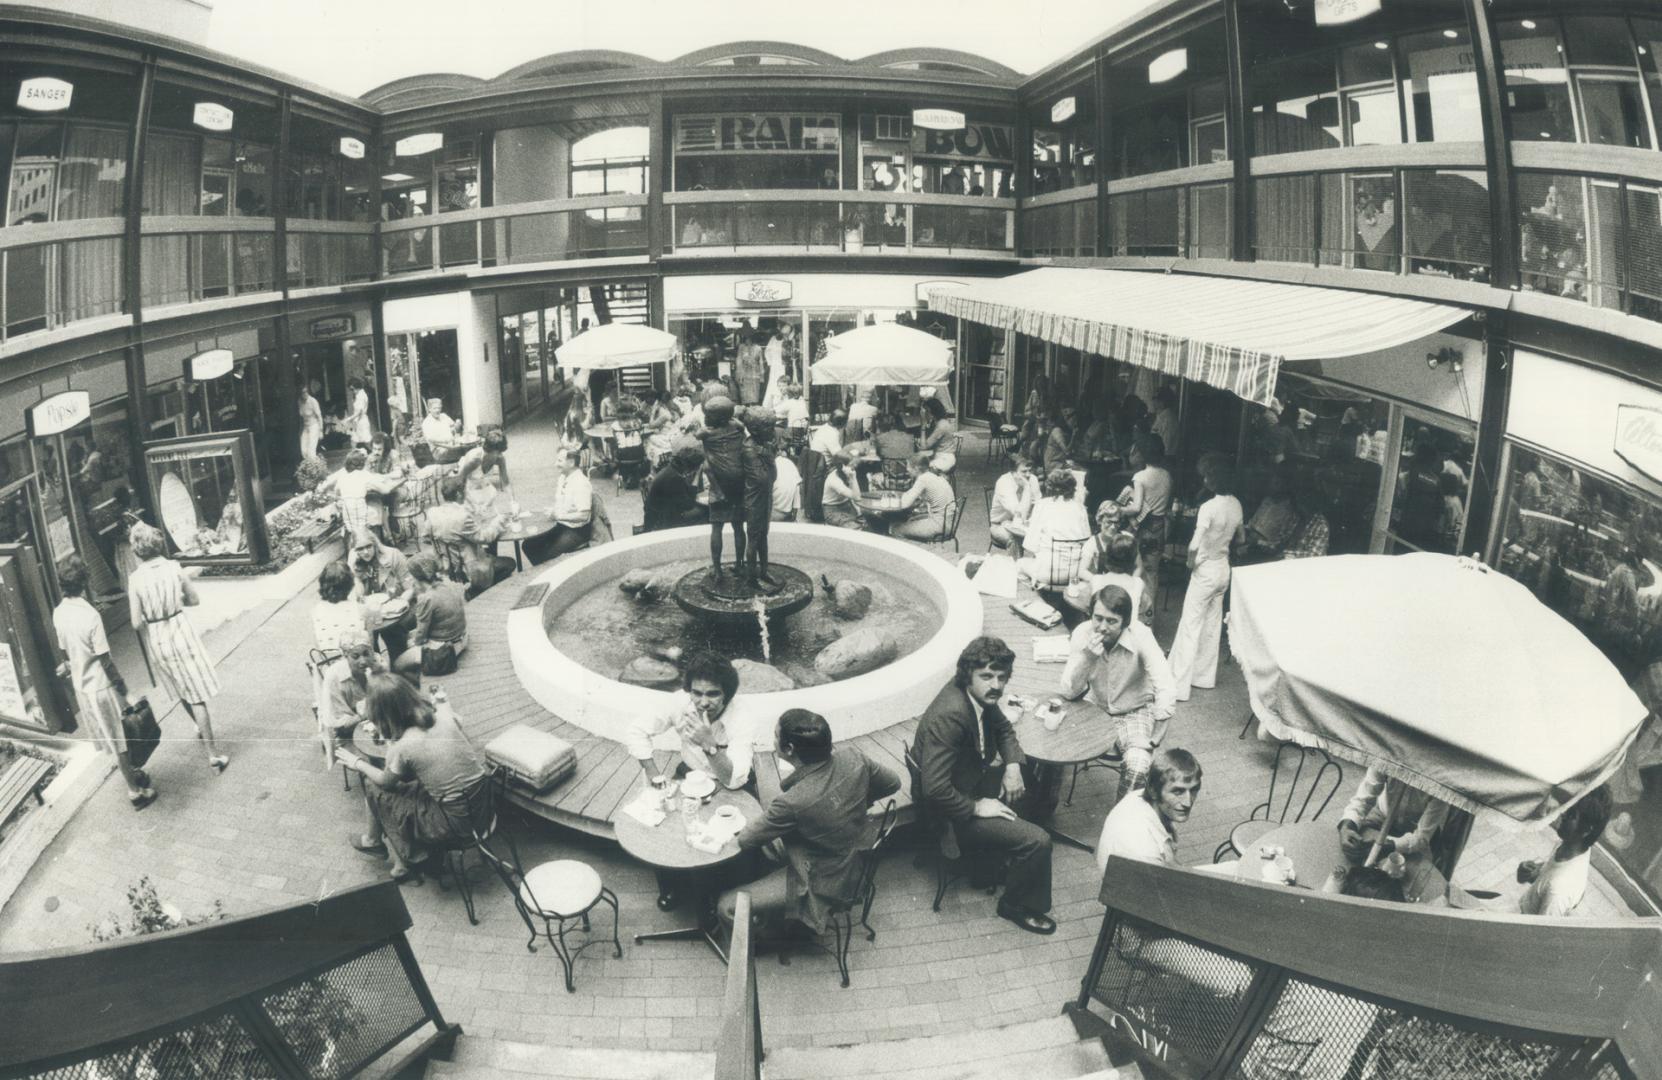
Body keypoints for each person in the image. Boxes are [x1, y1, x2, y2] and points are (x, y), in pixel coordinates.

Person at [912, 637, 1054, 935]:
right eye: (987, 676)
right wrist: (977, 806)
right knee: (1039, 841)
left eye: (1002, 677)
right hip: (949, 809)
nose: (996, 685)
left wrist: (1013, 765)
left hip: (966, 781)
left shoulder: (975, 695)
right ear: (968, 675)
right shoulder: (951, 715)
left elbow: (1002, 727)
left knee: (1029, 779)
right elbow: (935, 790)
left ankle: (989, 863)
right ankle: (1013, 904)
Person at [717, 709, 902, 937]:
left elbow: (746, 840)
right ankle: (774, 915)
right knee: (769, 848)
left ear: (789, 749)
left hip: (821, 879)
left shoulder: (792, 802)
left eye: (775, 736)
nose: (772, 740)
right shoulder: (854, 757)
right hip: (856, 856)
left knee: (726, 906)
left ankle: (766, 945)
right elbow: (892, 783)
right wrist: (850, 804)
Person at [342, 674, 490, 883]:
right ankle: (388, 851)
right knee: (406, 784)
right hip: (484, 807)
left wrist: (357, 763)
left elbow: (386, 781)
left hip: (455, 825)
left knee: (374, 787)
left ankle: (402, 857)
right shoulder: (442, 717)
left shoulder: (404, 746)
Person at [53, 556, 155, 809]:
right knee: (120, 739)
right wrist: (125, 690)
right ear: (85, 582)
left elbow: (67, 653)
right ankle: (134, 791)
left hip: (82, 689)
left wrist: (71, 665)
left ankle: (133, 777)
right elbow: (106, 661)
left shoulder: (59, 613)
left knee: (111, 738)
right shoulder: (91, 616)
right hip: (101, 687)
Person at [126, 523, 228, 772]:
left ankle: (199, 726)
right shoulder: (174, 568)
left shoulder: (135, 579)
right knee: (197, 694)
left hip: (159, 638)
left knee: (182, 688)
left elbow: (136, 622)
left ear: (137, 550)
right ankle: (213, 754)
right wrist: (175, 600)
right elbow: (194, 599)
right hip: (180, 631)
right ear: (158, 544)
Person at [1064, 585, 1176, 801]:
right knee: (1054, 738)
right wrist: (1087, 658)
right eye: (1098, 618)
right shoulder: (1082, 633)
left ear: (1125, 623)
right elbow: (1069, 691)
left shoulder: (1141, 635)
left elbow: (1166, 685)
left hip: (1133, 710)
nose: (1102, 627)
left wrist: (1154, 740)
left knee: (1139, 764)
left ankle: (1121, 820)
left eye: (1112, 621)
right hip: (1094, 706)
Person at [1168, 454, 1244, 703]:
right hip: (1224, 567)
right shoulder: (1237, 505)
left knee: (1190, 624)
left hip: (1206, 567)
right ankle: (1203, 677)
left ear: (1212, 480)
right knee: (1212, 625)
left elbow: (1193, 545)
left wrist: (1191, 564)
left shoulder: (1209, 507)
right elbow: (1241, 539)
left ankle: (1178, 684)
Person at [625, 651, 757, 790]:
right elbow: (636, 730)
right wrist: (654, 776)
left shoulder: (743, 716)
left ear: (727, 694)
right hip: (691, 772)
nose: (704, 703)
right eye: (697, 693)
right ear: (689, 690)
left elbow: (734, 781)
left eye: (713, 694)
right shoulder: (679, 701)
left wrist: (709, 745)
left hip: (730, 778)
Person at [1093, 748, 1201, 877]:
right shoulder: (1144, 849)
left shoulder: (1138, 797)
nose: (1188, 803)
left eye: (1194, 789)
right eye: (1178, 791)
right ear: (1154, 791)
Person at [1516, 786, 1612, 916]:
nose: (1563, 814)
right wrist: (1534, 873)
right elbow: (1550, 877)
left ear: (1586, 830)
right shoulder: (1570, 846)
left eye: (1571, 814)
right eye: (1567, 807)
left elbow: (1539, 933)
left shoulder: (1558, 891)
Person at [1337, 765, 1452, 863]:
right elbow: (1362, 801)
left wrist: (1390, 846)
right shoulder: (1386, 757)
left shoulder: (1444, 783)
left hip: (1414, 830)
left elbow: (1421, 838)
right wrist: (1347, 826)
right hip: (1381, 816)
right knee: (1351, 852)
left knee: (1416, 873)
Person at [424, 475, 513, 597]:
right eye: (466, 491)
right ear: (459, 495)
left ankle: (480, 584)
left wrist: (450, 542)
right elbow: (484, 538)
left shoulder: (432, 513)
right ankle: (479, 591)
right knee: (510, 563)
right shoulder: (463, 516)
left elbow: (426, 537)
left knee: (489, 551)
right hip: (469, 567)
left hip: (447, 565)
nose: (467, 494)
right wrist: (498, 521)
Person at [390, 554, 468, 683]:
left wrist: (413, 642)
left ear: (416, 578)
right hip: (461, 637)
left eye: (411, 576)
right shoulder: (448, 584)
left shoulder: (426, 598)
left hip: (445, 650)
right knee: (410, 637)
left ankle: (418, 685)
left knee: (398, 664)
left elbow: (420, 635)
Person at [1117, 434, 1172, 610]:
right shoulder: (1167, 475)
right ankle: (1150, 616)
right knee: (1152, 573)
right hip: (1160, 527)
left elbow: (1136, 507)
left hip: (1144, 528)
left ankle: (1136, 612)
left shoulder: (1140, 477)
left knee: (1136, 569)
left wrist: (1118, 509)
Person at [347, 525, 417, 660]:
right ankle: (375, 664)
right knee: (364, 635)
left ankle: (399, 664)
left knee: (391, 632)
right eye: (360, 549)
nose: (366, 552)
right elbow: (358, 596)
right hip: (375, 613)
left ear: (375, 544)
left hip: (400, 608)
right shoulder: (357, 562)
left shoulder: (393, 555)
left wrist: (399, 603)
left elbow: (410, 587)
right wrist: (356, 573)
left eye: (369, 547)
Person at [697, 395, 748, 576]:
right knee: (738, 526)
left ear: (715, 418)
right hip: (737, 485)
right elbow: (739, 425)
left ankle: (717, 569)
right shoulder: (737, 428)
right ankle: (740, 563)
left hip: (718, 486)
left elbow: (696, 434)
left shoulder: (706, 433)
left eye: (709, 415)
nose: (706, 417)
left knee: (716, 527)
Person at [1018, 468, 1092, 587]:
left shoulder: (1042, 505)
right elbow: (1087, 540)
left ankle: (1039, 589)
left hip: (1048, 572)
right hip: (1075, 573)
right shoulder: (1080, 508)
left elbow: (1030, 545)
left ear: (1050, 487)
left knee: (1019, 564)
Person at [317, 449, 403, 543]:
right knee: (377, 506)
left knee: (353, 528)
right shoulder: (364, 475)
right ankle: (384, 538)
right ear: (362, 463)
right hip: (360, 509)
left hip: (347, 512)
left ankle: (359, 541)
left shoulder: (343, 474)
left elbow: (336, 491)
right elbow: (386, 490)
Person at [741, 409, 781, 590]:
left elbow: (772, 477)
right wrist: (769, 455)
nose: (773, 431)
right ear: (756, 430)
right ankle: (751, 579)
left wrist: (767, 454)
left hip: (764, 498)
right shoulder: (750, 449)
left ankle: (763, 571)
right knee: (754, 539)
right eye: (769, 427)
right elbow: (765, 478)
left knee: (763, 536)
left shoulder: (762, 446)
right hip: (754, 501)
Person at [319, 641, 380, 747]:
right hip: (345, 733)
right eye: (355, 656)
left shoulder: (375, 665)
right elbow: (339, 724)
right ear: (346, 656)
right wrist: (365, 714)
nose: (363, 661)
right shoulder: (334, 678)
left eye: (366, 654)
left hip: (372, 722)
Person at [884, 452, 955, 541]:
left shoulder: (923, 479)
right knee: (910, 520)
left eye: (908, 466)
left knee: (894, 528)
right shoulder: (933, 476)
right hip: (948, 523)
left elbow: (905, 504)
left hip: (939, 526)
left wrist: (902, 497)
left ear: (916, 468)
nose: (907, 469)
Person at [1239, 466, 1299, 563]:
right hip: (1249, 541)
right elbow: (1252, 524)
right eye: (1271, 482)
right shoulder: (1267, 500)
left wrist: (1257, 542)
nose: (1271, 486)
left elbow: (1279, 544)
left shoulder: (1290, 510)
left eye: (1277, 483)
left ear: (1286, 485)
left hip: (1264, 551)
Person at [311, 560, 370, 655]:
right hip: (357, 662)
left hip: (329, 662)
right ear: (350, 585)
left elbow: (318, 644)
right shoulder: (359, 609)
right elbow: (369, 644)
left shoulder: (316, 610)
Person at [644, 445, 708, 531]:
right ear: (690, 466)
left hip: (659, 515)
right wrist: (697, 475)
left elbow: (685, 494)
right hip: (663, 521)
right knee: (705, 511)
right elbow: (688, 504)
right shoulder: (674, 478)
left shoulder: (670, 470)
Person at [989, 451, 1037, 550]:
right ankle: (1015, 564)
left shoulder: (1033, 479)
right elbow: (1019, 513)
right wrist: (1027, 488)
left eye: (1030, 470)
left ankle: (1037, 565)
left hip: (1026, 524)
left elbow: (1038, 505)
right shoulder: (1004, 483)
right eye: (1024, 471)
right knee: (1015, 539)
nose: (1028, 475)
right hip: (1000, 524)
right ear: (1013, 472)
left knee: (1047, 536)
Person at [457, 429, 512, 511]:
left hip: (478, 483)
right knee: (475, 507)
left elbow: (505, 481)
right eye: (498, 452)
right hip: (464, 483)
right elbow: (459, 481)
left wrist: (513, 502)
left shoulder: (499, 458)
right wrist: (468, 503)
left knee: (492, 493)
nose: (500, 455)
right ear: (489, 450)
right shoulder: (475, 459)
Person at [1281, 487, 1331, 559]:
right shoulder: (1295, 517)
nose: (1297, 506)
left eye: (1301, 502)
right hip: (1282, 559)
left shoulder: (1321, 525)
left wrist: (1287, 554)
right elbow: (1282, 539)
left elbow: (1315, 555)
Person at [820, 450, 863, 529]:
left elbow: (854, 496)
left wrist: (859, 512)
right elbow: (857, 497)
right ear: (842, 466)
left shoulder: (845, 473)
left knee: (870, 519)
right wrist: (853, 478)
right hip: (832, 510)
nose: (854, 466)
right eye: (851, 464)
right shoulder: (834, 480)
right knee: (854, 528)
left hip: (847, 505)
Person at [771, 443, 801, 522]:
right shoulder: (791, 464)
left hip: (772, 513)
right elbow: (797, 489)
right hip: (787, 513)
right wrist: (794, 516)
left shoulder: (772, 464)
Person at [1149, 387, 1179, 461]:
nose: (1153, 402)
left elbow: (1166, 445)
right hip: (1158, 457)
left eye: (1156, 399)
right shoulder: (1161, 416)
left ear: (1162, 402)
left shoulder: (1168, 419)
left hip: (1164, 458)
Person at [346, 376, 373, 450]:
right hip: (358, 421)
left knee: (367, 441)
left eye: (352, 389)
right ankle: (353, 456)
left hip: (362, 421)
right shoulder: (358, 395)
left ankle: (376, 454)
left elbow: (359, 412)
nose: (352, 391)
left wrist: (349, 419)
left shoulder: (361, 396)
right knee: (354, 441)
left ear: (356, 387)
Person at [298, 384, 324, 462]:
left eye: (306, 392)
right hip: (305, 427)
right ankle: (314, 466)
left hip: (314, 426)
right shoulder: (299, 401)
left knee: (311, 451)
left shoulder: (313, 401)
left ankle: (315, 470)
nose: (305, 394)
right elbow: (301, 418)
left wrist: (321, 431)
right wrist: (300, 431)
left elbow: (319, 416)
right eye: (302, 392)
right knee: (303, 451)